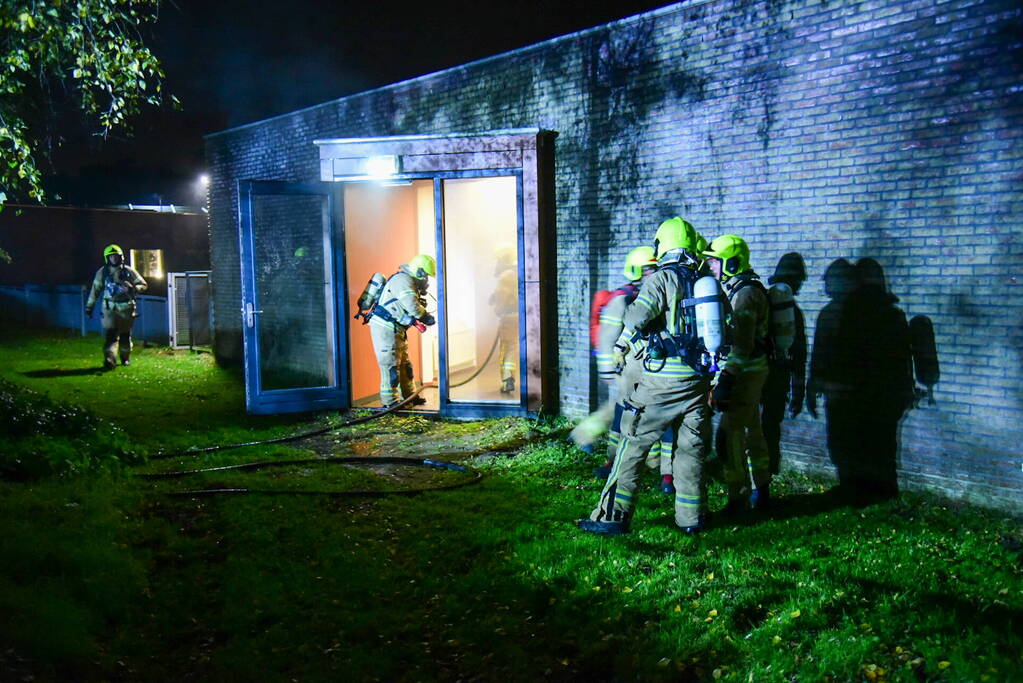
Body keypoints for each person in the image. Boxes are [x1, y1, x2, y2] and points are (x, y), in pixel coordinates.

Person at [578, 217, 715, 535]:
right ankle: (692, 519)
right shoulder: (703, 280)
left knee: (631, 445)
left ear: (662, 246)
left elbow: (638, 316)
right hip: (697, 382)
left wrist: (623, 333)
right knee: (690, 451)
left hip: (662, 383)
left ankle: (611, 516)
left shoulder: (663, 278)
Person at [570, 246, 674, 493]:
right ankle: (594, 444)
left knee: (650, 416)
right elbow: (607, 338)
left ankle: (655, 466)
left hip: (650, 369)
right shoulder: (622, 299)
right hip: (627, 370)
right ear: (636, 270)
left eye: (654, 268)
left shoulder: (654, 294)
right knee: (619, 415)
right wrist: (608, 370)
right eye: (647, 269)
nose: (652, 272)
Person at [703, 235, 772, 513]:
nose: (710, 266)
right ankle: (762, 490)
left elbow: (742, 346)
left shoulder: (744, 294)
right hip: (752, 371)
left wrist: (726, 381)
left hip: (744, 374)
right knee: (753, 431)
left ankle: (738, 498)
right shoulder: (741, 288)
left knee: (728, 435)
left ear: (732, 262)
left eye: (714, 261)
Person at [760, 253, 808, 477]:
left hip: (755, 374)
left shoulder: (761, 300)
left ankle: (750, 478)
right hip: (778, 378)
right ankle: (766, 478)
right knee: (770, 428)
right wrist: (798, 391)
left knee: (750, 428)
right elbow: (799, 355)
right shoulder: (792, 313)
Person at [368, 254, 436, 408]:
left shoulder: (408, 281)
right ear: (419, 272)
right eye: (426, 276)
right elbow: (411, 305)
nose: (426, 281)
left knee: (405, 365)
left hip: (396, 328)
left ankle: (409, 396)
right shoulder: (403, 280)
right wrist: (425, 316)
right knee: (390, 366)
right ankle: (390, 403)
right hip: (385, 329)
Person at [85, 244, 147, 370]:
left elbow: (143, 285)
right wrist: (89, 307)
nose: (114, 258)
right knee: (110, 336)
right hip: (109, 309)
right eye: (111, 256)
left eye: (116, 256)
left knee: (125, 336)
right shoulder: (102, 273)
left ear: (121, 257)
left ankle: (125, 358)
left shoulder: (129, 271)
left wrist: (133, 288)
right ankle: (110, 360)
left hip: (126, 309)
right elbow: (95, 291)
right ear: (107, 258)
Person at [490, 245, 519, 395]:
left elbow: (502, 297)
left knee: (507, 348)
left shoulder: (505, 276)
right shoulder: (517, 272)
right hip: (521, 316)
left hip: (508, 317)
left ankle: (507, 380)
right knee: (514, 347)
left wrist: (497, 308)